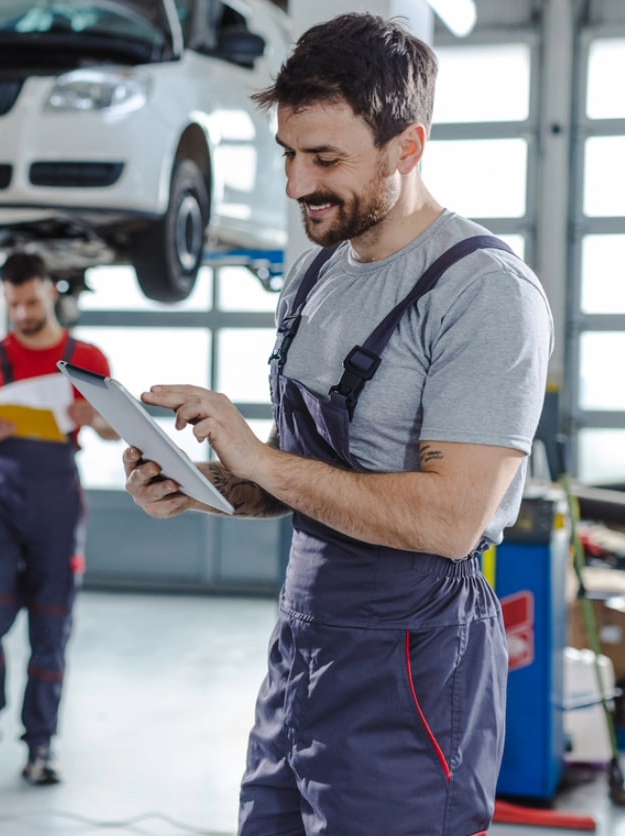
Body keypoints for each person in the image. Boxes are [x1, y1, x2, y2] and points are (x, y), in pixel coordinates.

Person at [122, 12, 553, 835]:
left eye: (325, 159)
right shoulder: (314, 273)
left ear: (406, 147)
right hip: (304, 647)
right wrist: (203, 485)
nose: (296, 185)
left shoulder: (484, 293)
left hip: (414, 663)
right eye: (288, 153)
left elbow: (450, 519)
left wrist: (259, 460)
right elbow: (303, 478)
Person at [0, 251, 118, 786]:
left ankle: (41, 745)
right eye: (13, 304)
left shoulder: (87, 356)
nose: (21, 313)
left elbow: (117, 431)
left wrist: (92, 416)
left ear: (50, 291)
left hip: (55, 498)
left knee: (51, 627)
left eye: (29, 301)